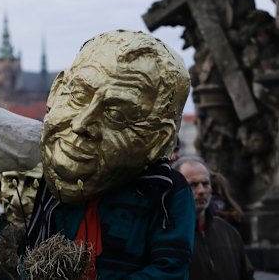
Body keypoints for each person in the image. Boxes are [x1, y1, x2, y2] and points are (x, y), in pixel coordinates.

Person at [22, 30, 195, 279]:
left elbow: (170, 270)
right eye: (79, 95)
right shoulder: (54, 180)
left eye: (116, 114)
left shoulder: (165, 190)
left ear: (159, 138)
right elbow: (29, 251)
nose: (81, 124)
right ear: (56, 91)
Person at [172, 156, 254, 280]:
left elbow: (246, 275)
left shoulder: (228, 232)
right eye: (193, 185)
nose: (201, 190)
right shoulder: (167, 236)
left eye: (205, 184)